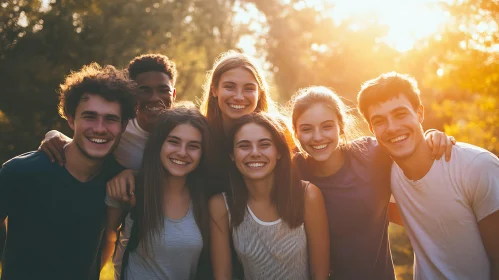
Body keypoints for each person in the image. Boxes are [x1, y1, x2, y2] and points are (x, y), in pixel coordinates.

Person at [290, 86, 456, 279]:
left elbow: (407, 143)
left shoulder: (371, 155)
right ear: (295, 132)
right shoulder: (292, 171)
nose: (318, 137)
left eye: (327, 126)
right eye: (307, 129)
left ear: (341, 126)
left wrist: (432, 135)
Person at [357, 72, 499, 280]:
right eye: (379, 121)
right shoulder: (384, 174)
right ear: (371, 129)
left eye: (400, 114)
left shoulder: (476, 166)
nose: (392, 127)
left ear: (419, 113)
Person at [0, 63, 136, 280]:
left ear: (124, 125)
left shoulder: (116, 180)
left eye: (110, 119)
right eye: (90, 116)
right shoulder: (20, 172)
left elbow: (108, 241)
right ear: (71, 119)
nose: (100, 128)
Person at [210, 112, 330, 280]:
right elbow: (222, 276)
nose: (255, 153)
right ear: (232, 155)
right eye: (244, 146)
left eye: (264, 145)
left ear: (279, 152)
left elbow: (321, 274)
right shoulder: (221, 205)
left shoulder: (308, 195)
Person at [106, 105, 212, 280]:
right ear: (159, 144)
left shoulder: (206, 199)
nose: (182, 152)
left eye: (193, 146)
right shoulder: (130, 190)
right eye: (174, 142)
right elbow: (104, 249)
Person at [39, 53, 178, 170]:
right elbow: (89, 142)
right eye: (144, 90)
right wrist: (54, 136)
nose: (154, 98)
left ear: (174, 94)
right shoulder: (119, 127)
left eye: (163, 90)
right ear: (133, 94)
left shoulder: (186, 129)